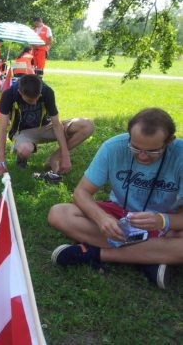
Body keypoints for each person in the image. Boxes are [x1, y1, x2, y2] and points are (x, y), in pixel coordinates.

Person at [48, 108, 183, 289]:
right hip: (120, 216)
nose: (142, 156)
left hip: (164, 223)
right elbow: (81, 193)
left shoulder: (180, 155)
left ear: (170, 141)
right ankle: (151, 256)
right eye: (135, 148)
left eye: (152, 151)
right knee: (59, 213)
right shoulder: (113, 147)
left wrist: (163, 220)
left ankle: (94, 254)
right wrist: (101, 218)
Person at [0, 74, 94, 178]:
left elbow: (56, 125)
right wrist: (1, 159)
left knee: (87, 126)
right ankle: (21, 161)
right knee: (25, 149)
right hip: (23, 132)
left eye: (37, 98)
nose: (34, 103)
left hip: (47, 127)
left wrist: (65, 156)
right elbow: (2, 128)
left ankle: (54, 158)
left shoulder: (47, 91)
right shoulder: (9, 94)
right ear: (20, 93)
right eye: (29, 100)